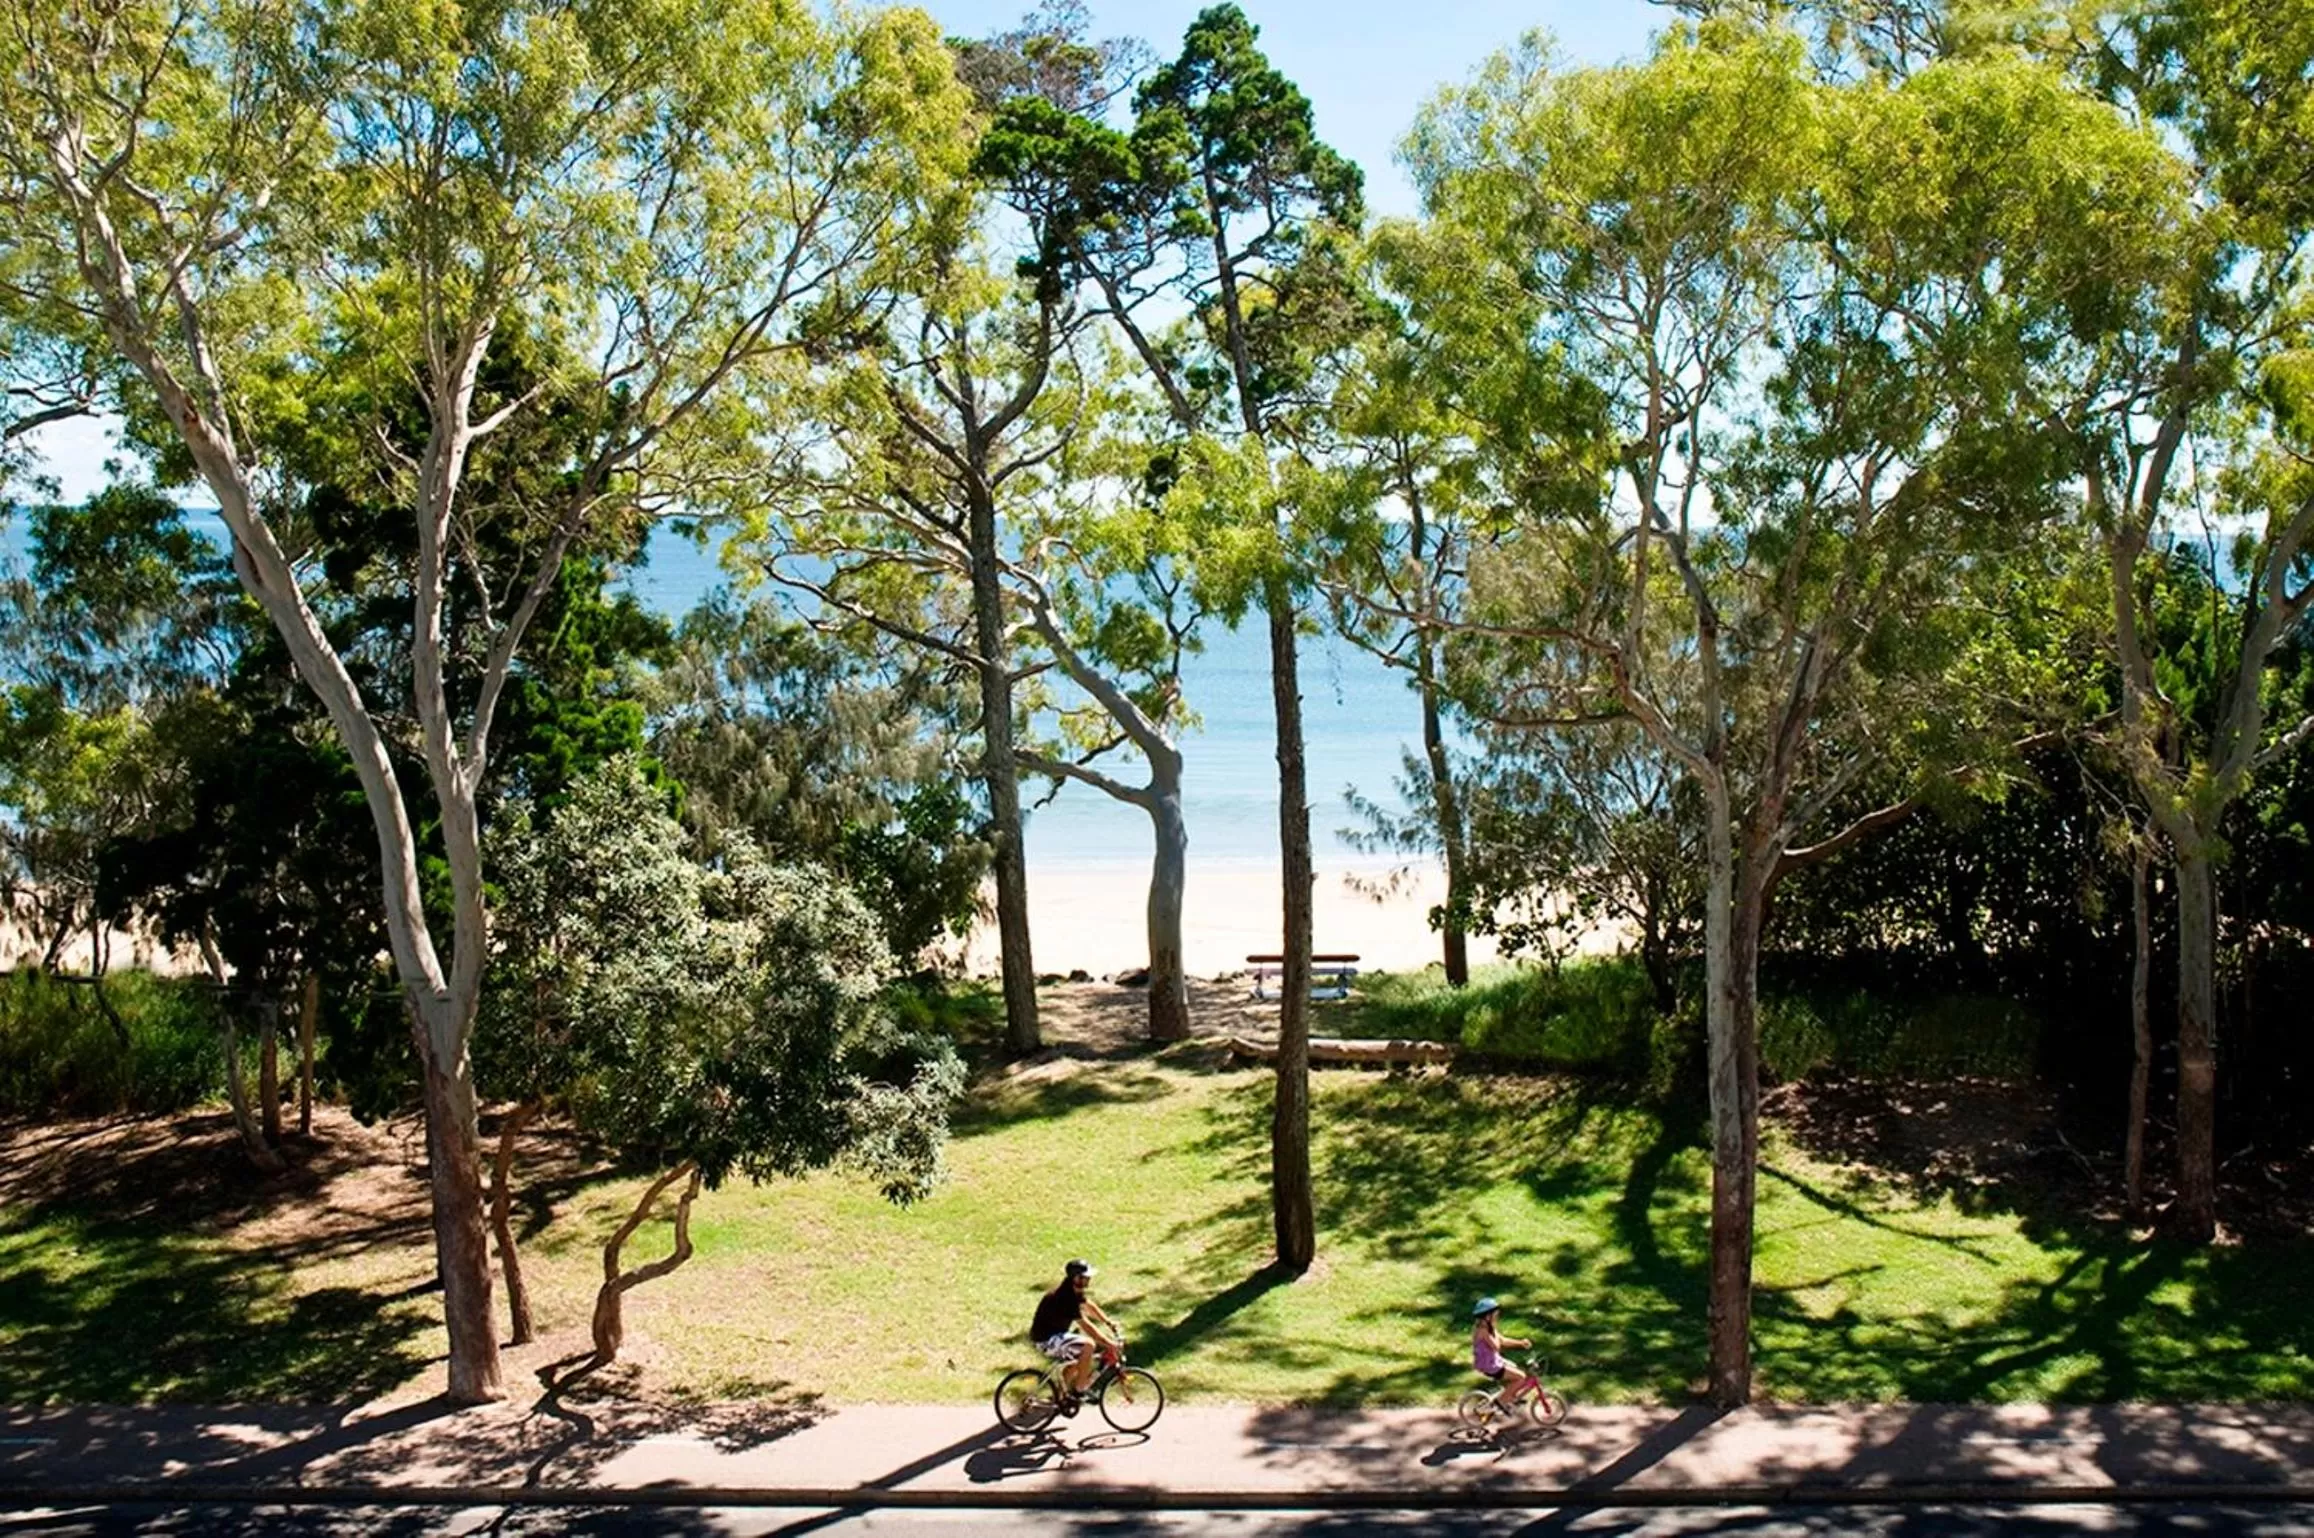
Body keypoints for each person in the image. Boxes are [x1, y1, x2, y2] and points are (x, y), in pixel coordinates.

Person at [1028, 1258, 1118, 1405]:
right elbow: (1086, 1325)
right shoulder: (1066, 1296)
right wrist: (1108, 1343)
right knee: (1088, 1345)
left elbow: (1089, 1306)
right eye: (1085, 1277)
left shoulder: (1073, 1291)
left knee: (1082, 1359)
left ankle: (1060, 1397)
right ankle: (1080, 1389)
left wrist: (1108, 1322)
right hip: (1046, 1340)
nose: (1088, 1280)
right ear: (1076, 1278)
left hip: (1055, 1337)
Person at [1470, 1297, 1539, 1407]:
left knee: (1514, 1367)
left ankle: (1509, 1396)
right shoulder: (1483, 1330)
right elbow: (1497, 1346)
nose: (1497, 1317)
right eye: (1495, 1315)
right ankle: (1501, 1402)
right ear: (1487, 1316)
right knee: (1521, 1377)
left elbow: (1503, 1340)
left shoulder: (1488, 1327)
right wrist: (1496, 1335)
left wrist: (1520, 1343)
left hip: (1493, 1361)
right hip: (1490, 1365)